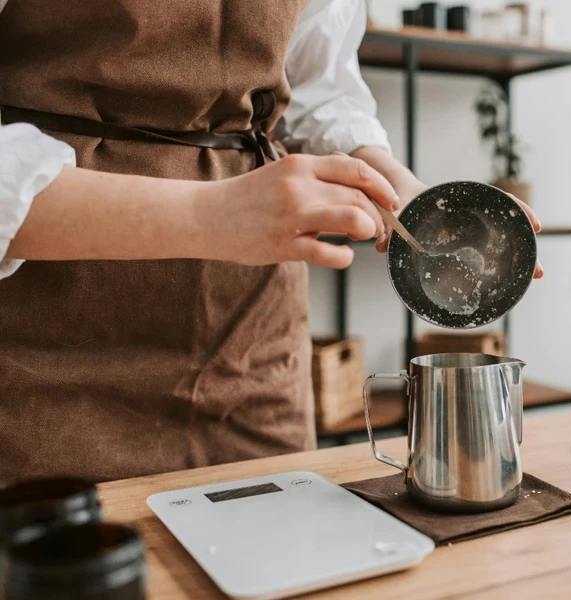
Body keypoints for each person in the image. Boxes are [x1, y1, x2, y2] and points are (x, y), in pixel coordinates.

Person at [0, 0, 542, 483]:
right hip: (47, 340)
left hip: (252, 339)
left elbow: (319, 86)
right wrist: (210, 213)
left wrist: (396, 184)